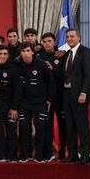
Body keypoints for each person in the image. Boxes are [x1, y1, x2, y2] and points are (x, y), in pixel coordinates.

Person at [17, 42, 55, 163]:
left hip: (40, 102)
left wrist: (49, 99)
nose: (26, 53)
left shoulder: (42, 65)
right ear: (20, 53)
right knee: (23, 128)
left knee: (41, 128)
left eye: (28, 51)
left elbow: (51, 83)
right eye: (23, 51)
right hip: (24, 102)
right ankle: (25, 154)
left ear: (33, 52)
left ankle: (39, 155)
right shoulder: (16, 65)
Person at [61, 29, 90, 164]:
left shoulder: (85, 52)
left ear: (79, 38)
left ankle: (85, 156)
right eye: (67, 37)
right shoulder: (67, 54)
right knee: (70, 126)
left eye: (72, 36)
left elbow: (88, 75)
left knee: (82, 126)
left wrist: (84, 93)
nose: (69, 39)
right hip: (67, 94)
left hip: (80, 95)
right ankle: (72, 155)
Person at [36, 33, 66, 161]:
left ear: (54, 42)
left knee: (63, 125)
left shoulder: (61, 55)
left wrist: (52, 68)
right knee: (46, 126)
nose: (47, 43)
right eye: (44, 41)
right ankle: (48, 152)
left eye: (49, 41)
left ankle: (63, 152)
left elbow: (64, 76)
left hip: (60, 97)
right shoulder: (39, 57)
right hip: (46, 98)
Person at [0, 45, 21, 162]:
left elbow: (18, 90)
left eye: (4, 54)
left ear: (8, 56)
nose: (2, 56)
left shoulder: (13, 69)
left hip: (10, 106)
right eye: (0, 53)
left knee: (11, 130)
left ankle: (12, 155)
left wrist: (14, 108)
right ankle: (1, 154)